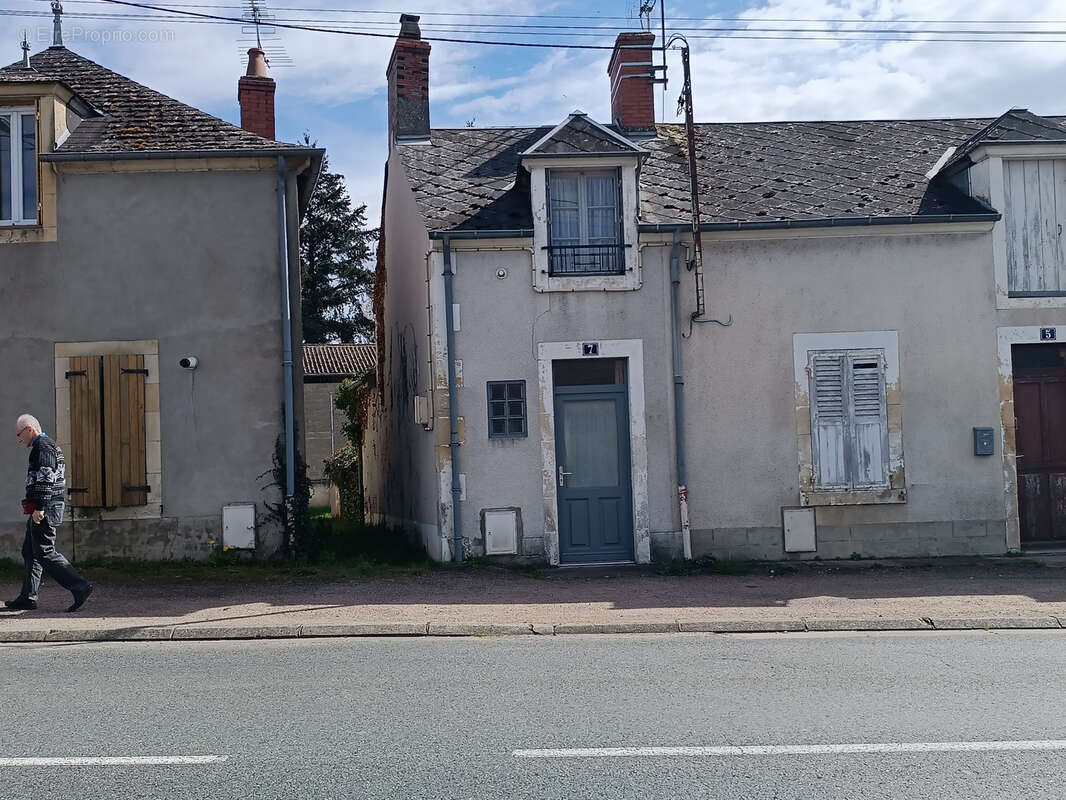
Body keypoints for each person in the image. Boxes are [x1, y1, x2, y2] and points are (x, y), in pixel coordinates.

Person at [5, 414, 92, 612]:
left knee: (44, 552)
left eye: (19, 434)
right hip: (44, 505)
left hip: (46, 507)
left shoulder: (43, 447)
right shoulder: (43, 446)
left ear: (29, 429)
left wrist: (40, 508)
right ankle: (28, 597)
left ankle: (80, 586)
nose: (19, 439)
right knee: (30, 551)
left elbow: (46, 479)